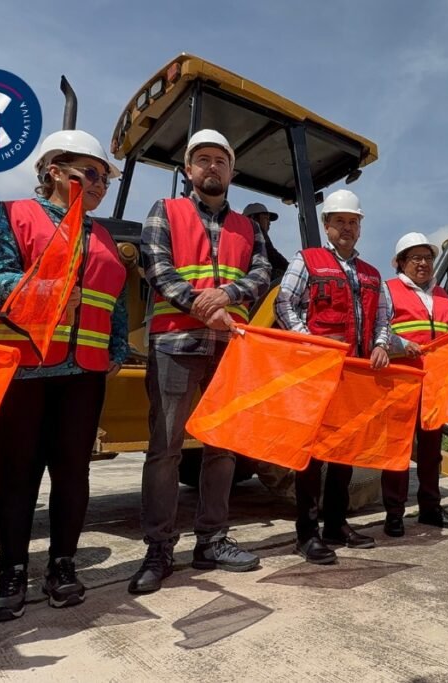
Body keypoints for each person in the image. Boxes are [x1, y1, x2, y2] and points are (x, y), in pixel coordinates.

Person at [0, 130, 129, 621]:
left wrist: (118, 347)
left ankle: (63, 565)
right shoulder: (15, 216)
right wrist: (50, 293)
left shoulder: (102, 235)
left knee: (72, 471)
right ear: (55, 172)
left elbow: (116, 298)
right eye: (93, 173)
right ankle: (12, 572)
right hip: (25, 368)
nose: (101, 184)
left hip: (84, 370)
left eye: (106, 176)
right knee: (19, 473)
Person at [130, 130, 272, 594]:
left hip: (228, 348)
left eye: (220, 161)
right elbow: (156, 264)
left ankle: (212, 538)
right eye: (203, 160)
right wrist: (200, 303)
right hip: (175, 342)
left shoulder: (249, 228)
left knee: (223, 448)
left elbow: (261, 272)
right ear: (188, 170)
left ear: (231, 172)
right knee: (166, 448)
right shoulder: (165, 212)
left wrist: (226, 296)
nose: (212, 167)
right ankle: (159, 547)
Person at [275, 189, 392, 564]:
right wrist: (311, 344)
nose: (346, 227)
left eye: (352, 222)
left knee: (345, 452)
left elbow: (384, 318)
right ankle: (306, 533)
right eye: (339, 221)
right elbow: (284, 303)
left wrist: (381, 344)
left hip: (356, 375)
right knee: (311, 457)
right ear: (327, 225)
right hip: (318, 374)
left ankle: (336, 524)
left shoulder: (372, 274)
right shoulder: (307, 261)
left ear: (360, 227)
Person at [382, 232, 448, 537]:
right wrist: (402, 345)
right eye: (415, 257)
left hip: (434, 384)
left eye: (427, 257)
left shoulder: (442, 295)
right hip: (401, 380)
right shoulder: (388, 291)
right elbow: (379, 330)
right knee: (397, 449)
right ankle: (394, 513)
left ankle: (431, 509)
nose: (423, 263)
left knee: (432, 451)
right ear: (402, 263)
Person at [242, 202, 288, 279]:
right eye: (266, 218)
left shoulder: (243, 234)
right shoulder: (255, 230)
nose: (269, 223)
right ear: (253, 218)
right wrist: (290, 267)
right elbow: (273, 255)